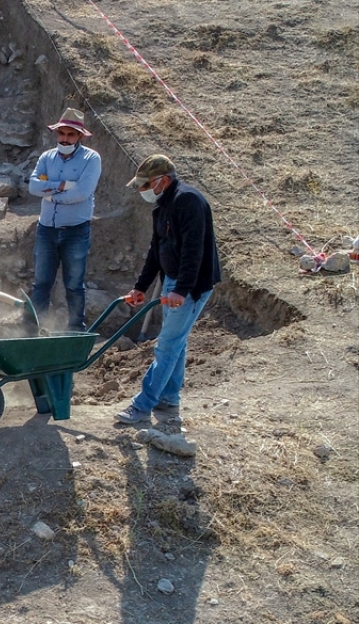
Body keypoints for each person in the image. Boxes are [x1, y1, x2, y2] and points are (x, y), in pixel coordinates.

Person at [116, 154, 222, 424]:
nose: (142, 191)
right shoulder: (163, 205)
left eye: (144, 185)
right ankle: (169, 400)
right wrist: (141, 286)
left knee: (167, 346)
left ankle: (142, 406)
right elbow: (156, 249)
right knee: (176, 344)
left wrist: (182, 289)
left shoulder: (187, 201)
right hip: (173, 281)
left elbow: (193, 250)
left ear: (162, 180)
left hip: (191, 285)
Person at [27, 108, 103, 331]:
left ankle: (75, 329)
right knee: (41, 283)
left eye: (71, 134)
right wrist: (62, 186)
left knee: (74, 284)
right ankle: (30, 330)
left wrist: (48, 193)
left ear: (80, 136)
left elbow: (82, 193)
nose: (65, 138)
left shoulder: (91, 159)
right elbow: (33, 186)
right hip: (46, 229)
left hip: (76, 231)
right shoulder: (46, 157)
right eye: (62, 134)